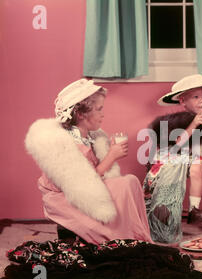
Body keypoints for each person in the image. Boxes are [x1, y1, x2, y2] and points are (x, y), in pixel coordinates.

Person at [25, 79, 153, 244]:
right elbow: (82, 186)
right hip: (65, 199)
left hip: (88, 189)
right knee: (126, 184)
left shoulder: (91, 138)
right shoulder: (65, 145)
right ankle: (123, 236)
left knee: (130, 182)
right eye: (99, 109)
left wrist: (108, 152)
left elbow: (95, 176)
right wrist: (111, 157)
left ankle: (134, 234)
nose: (103, 114)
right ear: (80, 114)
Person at [143, 74, 202, 243]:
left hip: (198, 158)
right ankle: (162, 212)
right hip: (176, 157)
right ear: (183, 102)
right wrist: (195, 123)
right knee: (166, 167)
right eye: (196, 97)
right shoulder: (176, 123)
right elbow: (177, 144)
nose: (201, 100)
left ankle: (194, 209)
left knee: (197, 165)